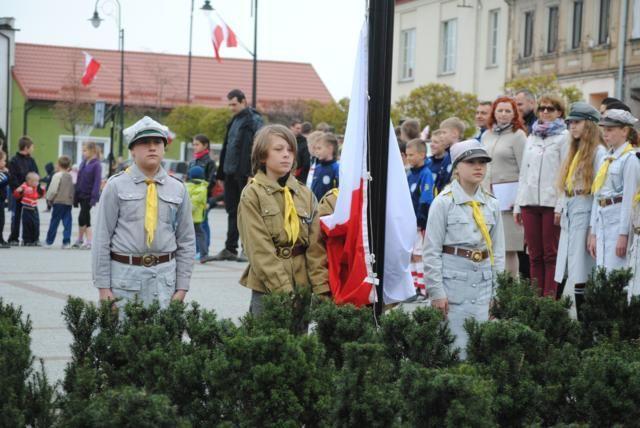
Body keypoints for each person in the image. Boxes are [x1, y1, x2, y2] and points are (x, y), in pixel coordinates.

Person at [92, 116, 195, 310]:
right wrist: (103, 288)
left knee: (162, 338)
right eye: (144, 143)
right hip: (124, 279)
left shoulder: (178, 189)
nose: (152, 147)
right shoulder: (116, 186)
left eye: (157, 142)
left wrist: (182, 287)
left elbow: (187, 240)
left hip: (165, 281)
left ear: (164, 148)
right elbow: (101, 238)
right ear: (132, 150)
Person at [424, 139, 505, 358]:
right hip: (454, 288)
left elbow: (497, 252)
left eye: (482, 162)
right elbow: (431, 251)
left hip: (483, 287)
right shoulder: (443, 203)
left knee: (482, 349)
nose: (479, 167)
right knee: (456, 350)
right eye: (471, 162)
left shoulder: (492, 204)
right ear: (457, 167)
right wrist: (436, 292)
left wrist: (498, 291)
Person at [237, 124, 329, 315]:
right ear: (263, 156)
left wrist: (321, 289)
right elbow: (259, 249)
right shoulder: (252, 194)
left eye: (290, 150)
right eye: (278, 149)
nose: (286, 154)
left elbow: (315, 247)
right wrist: (284, 291)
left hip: (302, 285)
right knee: (266, 342)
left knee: (299, 343)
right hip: (268, 288)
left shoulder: (305, 194)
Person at [554, 103, 606, 319]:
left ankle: (585, 324)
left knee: (581, 269)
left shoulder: (598, 152)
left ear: (590, 125)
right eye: (570, 123)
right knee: (566, 267)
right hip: (571, 208)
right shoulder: (574, 150)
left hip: (585, 211)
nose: (572, 127)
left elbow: (599, 192)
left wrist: (593, 228)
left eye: (577, 122)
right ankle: (561, 317)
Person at [514, 94, 568, 298]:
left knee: (550, 255)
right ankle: (536, 300)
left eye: (550, 108)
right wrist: (519, 205)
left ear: (560, 112)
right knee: (533, 255)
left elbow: (565, 174)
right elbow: (524, 173)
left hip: (551, 203)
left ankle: (550, 300)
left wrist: (560, 206)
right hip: (529, 202)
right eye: (542, 108)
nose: (545, 112)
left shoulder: (564, 137)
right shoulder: (531, 136)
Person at [212, 89, 263, 261]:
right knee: (232, 211)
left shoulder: (255, 120)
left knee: (247, 212)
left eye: (234, 104)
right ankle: (230, 248)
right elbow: (227, 147)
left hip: (245, 173)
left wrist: (252, 172)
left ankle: (247, 249)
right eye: (229, 105)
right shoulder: (234, 120)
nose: (231, 108)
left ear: (243, 101)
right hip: (230, 173)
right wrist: (221, 173)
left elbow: (257, 148)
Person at [588, 109, 640, 272]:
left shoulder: (630, 159)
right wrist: (593, 232)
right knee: (602, 271)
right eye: (604, 129)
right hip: (603, 219)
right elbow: (598, 196)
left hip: (617, 222)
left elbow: (629, 200)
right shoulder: (606, 159)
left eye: (610, 129)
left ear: (624, 131)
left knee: (616, 271)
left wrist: (623, 234)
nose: (605, 133)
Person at [481, 96, 527, 276]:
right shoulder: (487, 134)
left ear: (514, 114)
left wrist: (519, 199)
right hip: (487, 196)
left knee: (508, 248)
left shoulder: (518, 135)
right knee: (490, 246)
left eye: (508, 111)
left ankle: (509, 290)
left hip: (508, 199)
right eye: (500, 110)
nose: (503, 114)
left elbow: (525, 168)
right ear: (494, 112)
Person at [405, 138, 435, 295]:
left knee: (419, 255)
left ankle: (423, 290)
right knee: (410, 255)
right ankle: (413, 287)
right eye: (407, 155)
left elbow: (426, 199)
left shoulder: (426, 174)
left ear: (422, 155)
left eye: (412, 155)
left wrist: (420, 220)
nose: (408, 158)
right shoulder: (410, 174)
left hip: (419, 223)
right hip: (409, 223)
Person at [189, 134, 217, 262]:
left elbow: (211, 181)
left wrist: (203, 194)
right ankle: (197, 249)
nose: (194, 147)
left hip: (203, 198)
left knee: (203, 224)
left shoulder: (209, 162)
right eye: (193, 144)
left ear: (205, 145)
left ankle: (204, 250)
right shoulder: (193, 161)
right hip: (191, 198)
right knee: (193, 225)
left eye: (197, 144)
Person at [7, 136, 38, 245]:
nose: (33, 149)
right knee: (16, 216)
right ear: (26, 147)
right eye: (32, 147)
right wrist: (19, 189)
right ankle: (14, 238)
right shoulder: (14, 161)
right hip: (18, 193)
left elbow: (36, 175)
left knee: (32, 217)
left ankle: (31, 238)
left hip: (30, 195)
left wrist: (35, 189)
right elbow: (12, 177)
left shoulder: (31, 161)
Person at [72, 142, 102, 250]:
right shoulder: (83, 163)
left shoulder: (97, 165)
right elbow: (79, 179)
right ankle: (86, 240)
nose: (83, 153)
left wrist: (94, 197)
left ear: (92, 151)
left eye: (85, 150)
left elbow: (97, 182)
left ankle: (82, 239)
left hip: (88, 195)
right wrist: (75, 194)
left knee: (82, 217)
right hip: (80, 193)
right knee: (86, 218)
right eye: (82, 150)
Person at [44, 155, 75, 249]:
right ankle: (66, 242)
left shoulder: (57, 176)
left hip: (58, 202)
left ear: (58, 165)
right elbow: (73, 189)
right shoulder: (71, 176)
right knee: (67, 222)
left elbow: (53, 189)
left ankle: (49, 241)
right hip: (68, 202)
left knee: (54, 221)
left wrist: (49, 198)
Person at [186, 165, 209, 262]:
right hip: (196, 218)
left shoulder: (185, 186)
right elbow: (194, 204)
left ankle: (184, 254)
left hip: (184, 218)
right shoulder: (202, 189)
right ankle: (204, 255)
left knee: (184, 236)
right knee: (200, 235)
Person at [12, 172, 43, 246]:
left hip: (34, 208)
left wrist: (42, 191)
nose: (37, 183)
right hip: (26, 208)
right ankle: (26, 240)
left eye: (38, 181)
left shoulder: (35, 187)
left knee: (36, 224)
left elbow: (38, 196)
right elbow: (16, 195)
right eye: (35, 181)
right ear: (29, 181)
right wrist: (18, 191)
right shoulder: (24, 186)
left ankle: (35, 239)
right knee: (27, 224)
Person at [310, 133, 340, 202]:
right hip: (315, 208)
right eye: (315, 148)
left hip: (328, 210)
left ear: (330, 148)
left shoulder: (336, 168)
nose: (316, 151)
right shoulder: (317, 168)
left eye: (319, 148)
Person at [426, 129, 453, 195]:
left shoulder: (448, 164)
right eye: (431, 141)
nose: (431, 145)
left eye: (435, 142)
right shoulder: (427, 163)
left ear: (445, 144)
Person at [0, 150, 10, 248]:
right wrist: (7, 174)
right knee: (0, 221)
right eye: (3, 161)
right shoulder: (2, 173)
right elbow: (3, 180)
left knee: (2, 221)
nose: (5, 163)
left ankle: (1, 238)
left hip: (2, 200)